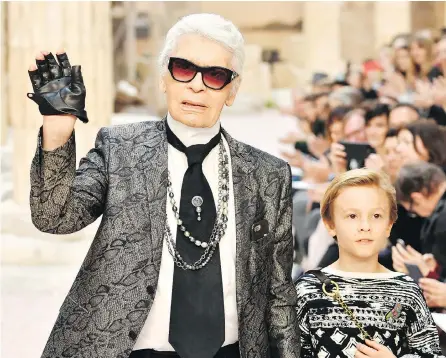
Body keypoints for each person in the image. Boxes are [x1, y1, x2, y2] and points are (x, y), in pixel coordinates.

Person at [27, 13, 300, 358]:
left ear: (232, 91)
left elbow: (279, 294)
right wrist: (57, 130)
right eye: (184, 69)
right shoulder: (119, 148)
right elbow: (55, 217)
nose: (197, 85)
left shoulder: (268, 175)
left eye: (215, 75)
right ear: (164, 79)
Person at [294, 168, 444, 357]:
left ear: (389, 225)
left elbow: (430, 353)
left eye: (376, 216)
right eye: (352, 216)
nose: (365, 226)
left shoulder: (406, 291)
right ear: (330, 224)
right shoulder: (307, 290)